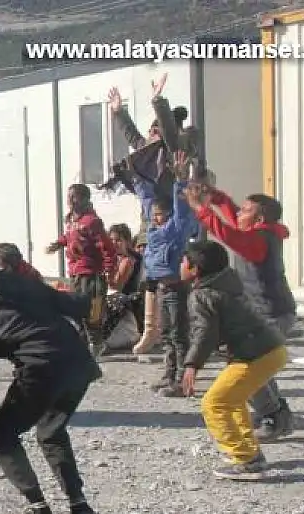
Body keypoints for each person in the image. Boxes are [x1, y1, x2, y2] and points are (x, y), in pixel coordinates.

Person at [0, 243, 109, 514]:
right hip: (77, 362)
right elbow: (78, 304)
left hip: (41, 367)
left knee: (1, 434)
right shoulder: (23, 283)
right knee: (51, 431)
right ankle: (82, 510)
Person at [187, 184, 297, 441]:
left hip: (272, 313)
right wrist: (215, 196)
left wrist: (202, 209)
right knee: (257, 367)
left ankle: (273, 416)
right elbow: (234, 216)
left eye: (246, 211)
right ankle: (278, 414)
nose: (238, 213)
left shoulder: (260, 239)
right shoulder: (260, 231)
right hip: (266, 312)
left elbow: (229, 235)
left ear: (259, 219)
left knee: (246, 367)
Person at [108, 74, 199, 354]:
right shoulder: (148, 157)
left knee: (174, 280)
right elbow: (134, 138)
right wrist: (118, 112)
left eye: (155, 133)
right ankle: (151, 331)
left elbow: (170, 136)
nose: (149, 138)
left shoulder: (173, 154)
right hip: (151, 227)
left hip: (172, 225)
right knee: (150, 279)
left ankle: (183, 331)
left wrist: (158, 100)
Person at [179, 240, 287, 480]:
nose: (180, 265)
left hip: (255, 354)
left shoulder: (201, 294)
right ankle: (249, 452)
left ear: (195, 269)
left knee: (214, 404)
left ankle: (247, 460)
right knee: (233, 400)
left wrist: (191, 365)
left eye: (183, 261)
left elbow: (204, 333)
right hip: (270, 349)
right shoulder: (229, 280)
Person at [142, 152, 199, 396]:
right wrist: (138, 176)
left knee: (179, 334)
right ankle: (170, 373)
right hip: (162, 288)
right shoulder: (153, 233)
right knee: (166, 333)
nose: (156, 218)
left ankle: (182, 382)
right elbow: (144, 197)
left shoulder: (175, 230)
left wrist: (180, 181)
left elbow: (182, 211)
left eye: (160, 214)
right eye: (154, 215)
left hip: (176, 288)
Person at [45, 183, 116, 357]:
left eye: (74, 196)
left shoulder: (92, 221)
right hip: (75, 271)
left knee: (92, 309)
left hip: (90, 272)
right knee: (76, 307)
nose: (70, 200)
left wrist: (108, 268)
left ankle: (97, 342)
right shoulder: (71, 219)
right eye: (69, 196)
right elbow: (69, 236)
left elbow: (106, 246)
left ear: (85, 199)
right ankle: (83, 341)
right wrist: (58, 244)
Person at [103, 223, 144, 349]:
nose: (114, 243)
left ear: (127, 241)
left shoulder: (127, 260)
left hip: (122, 299)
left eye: (118, 240)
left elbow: (117, 287)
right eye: (112, 240)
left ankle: (102, 338)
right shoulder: (110, 258)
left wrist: (105, 273)